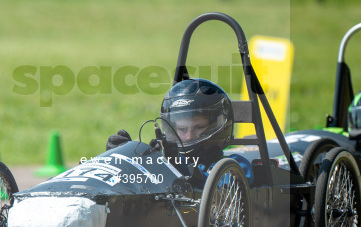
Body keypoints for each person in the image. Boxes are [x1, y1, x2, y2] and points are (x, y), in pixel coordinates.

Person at [107, 78, 253, 183]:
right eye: (182, 129)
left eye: (199, 127)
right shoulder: (165, 160)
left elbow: (220, 185)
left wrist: (180, 166)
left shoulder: (235, 164)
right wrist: (122, 160)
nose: (188, 136)